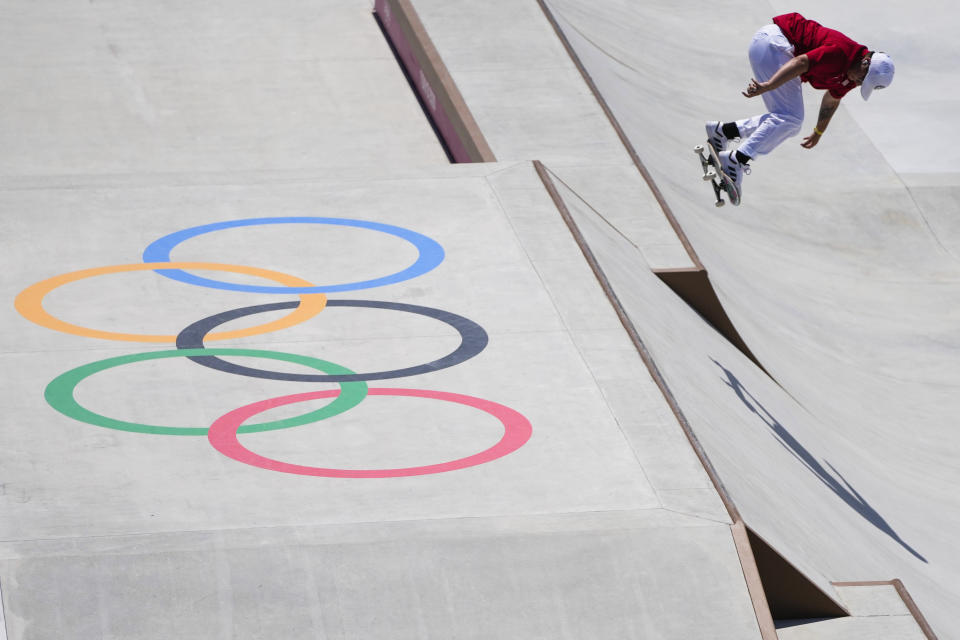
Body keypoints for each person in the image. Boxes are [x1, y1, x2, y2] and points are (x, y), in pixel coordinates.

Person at [705, 12, 894, 200]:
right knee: (790, 118)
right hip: (774, 44)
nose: (859, 83)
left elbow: (832, 99)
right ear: (865, 62)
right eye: (863, 78)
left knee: (787, 120)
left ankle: (724, 132)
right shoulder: (840, 53)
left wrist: (818, 132)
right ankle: (737, 159)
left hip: (773, 48)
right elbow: (801, 62)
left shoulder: (851, 75)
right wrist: (769, 85)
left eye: (863, 84)